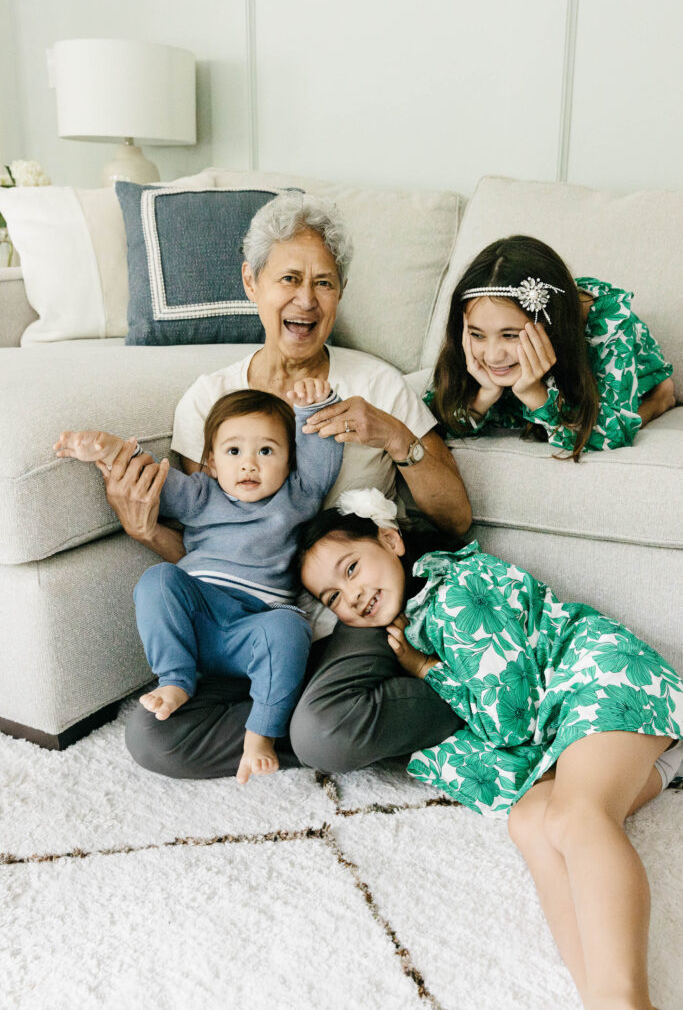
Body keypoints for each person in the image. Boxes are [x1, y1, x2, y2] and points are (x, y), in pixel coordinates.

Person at [97, 190, 471, 779]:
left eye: (324, 283)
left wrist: (397, 437)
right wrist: (147, 534)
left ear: (339, 294)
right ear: (252, 282)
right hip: (250, 628)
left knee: (324, 731)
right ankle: (297, 724)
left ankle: (473, 700)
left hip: (350, 614)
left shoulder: (375, 383)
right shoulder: (209, 400)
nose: (306, 299)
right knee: (153, 737)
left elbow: (455, 519)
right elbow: (210, 550)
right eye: (289, 278)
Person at [298, 488, 683, 1010]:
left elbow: (510, 717)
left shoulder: (452, 593)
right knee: (529, 822)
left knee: (575, 818)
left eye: (351, 569)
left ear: (390, 540)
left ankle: (625, 1002)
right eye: (333, 599)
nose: (352, 596)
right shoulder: (419, 616)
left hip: (606, 682)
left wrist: (426, 670)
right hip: (566, 727)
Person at [54, 379, 343, 784]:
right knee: (159, 579)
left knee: (290, 626)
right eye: (234, 451)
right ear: (211, 461)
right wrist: (108, 448)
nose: (249, 464)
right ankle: (175, 679)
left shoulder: (297, 496)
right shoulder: (202, 494)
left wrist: (315, 407)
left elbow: (322, 458)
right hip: (196, 620)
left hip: (252, 629)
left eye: (266, 451)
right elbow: (150, 476)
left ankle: (260, 735)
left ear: (289, 461)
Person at [427, 235, 675, 460]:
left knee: (623, 413)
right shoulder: (473, 345)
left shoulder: (608, 323)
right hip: (532, 371)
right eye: (477, 334)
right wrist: (484, 395)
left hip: (607, 369)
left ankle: (660, 398)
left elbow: (611, 437)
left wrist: (533, 392)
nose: (492, 355)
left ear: (551, 326)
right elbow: (430, 424)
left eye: (510, 335)